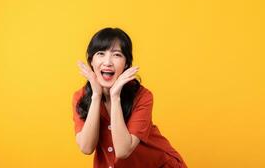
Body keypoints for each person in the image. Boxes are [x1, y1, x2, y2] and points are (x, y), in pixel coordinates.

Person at [72, 27, 187, 168]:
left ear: (126, 63)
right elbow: (86, 148)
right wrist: (96, 96)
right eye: (100, 53)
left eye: (117, 55)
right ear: (91, 61)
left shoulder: (143, 96)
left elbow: (122, 151)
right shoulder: (81, 96)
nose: (107, 62)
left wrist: (115, 97)